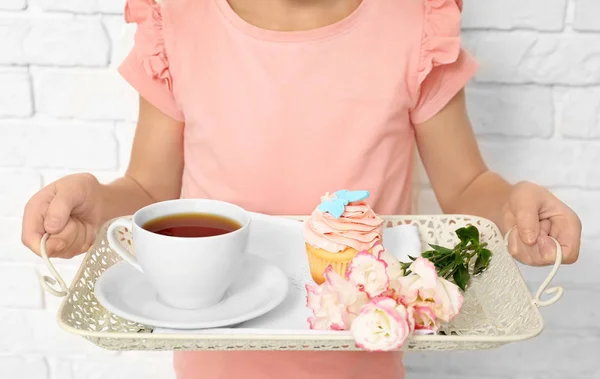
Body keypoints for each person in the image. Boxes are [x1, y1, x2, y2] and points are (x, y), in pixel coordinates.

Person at [21, 0, 581, 378]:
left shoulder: (413, 19)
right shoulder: (180, 19)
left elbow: (467, 186)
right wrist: (101, 208)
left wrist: (510, 208)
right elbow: (148, 188)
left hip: (363, 358)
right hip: (213, 362)